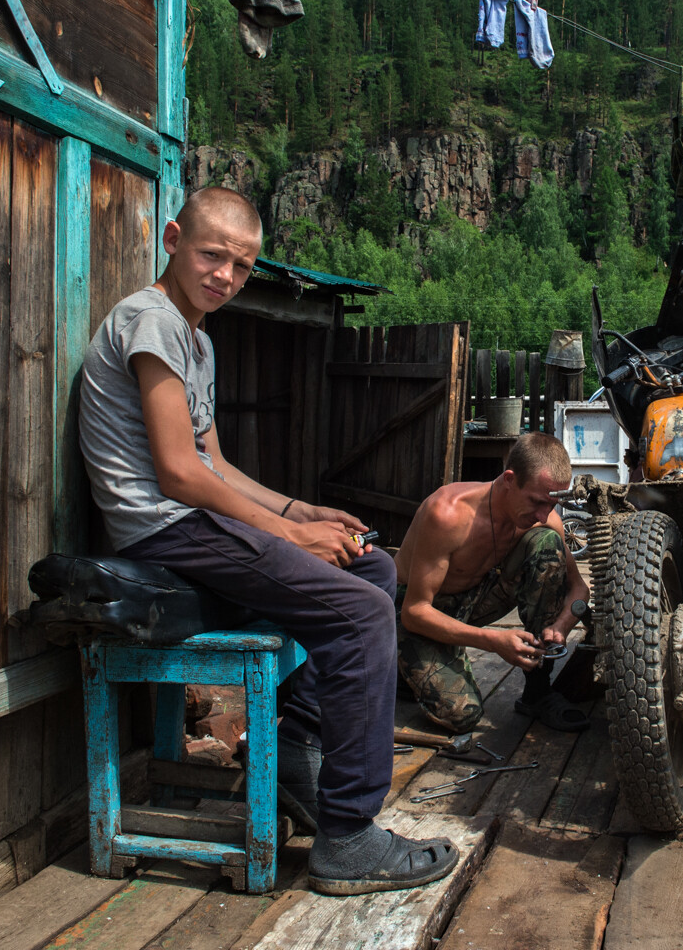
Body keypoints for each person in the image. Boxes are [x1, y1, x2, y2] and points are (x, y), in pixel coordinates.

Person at [77, 186, 456, 897]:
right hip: (162, 531)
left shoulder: (197, 339)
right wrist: (288, 535)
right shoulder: (148, 321)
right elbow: (178, 473)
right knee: (362, 613)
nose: (223, 275)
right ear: (172, 240)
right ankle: (347, 837)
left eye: (240, 266)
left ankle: (292, 749)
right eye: (210, 255)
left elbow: (215, 461)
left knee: (372, 569)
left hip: (193, 520)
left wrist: (298, 505)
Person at [395, 432, 593, 733]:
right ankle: (399, 670)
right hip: (416, 616)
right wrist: (491, 641)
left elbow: (579, 588)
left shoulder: (543, 518)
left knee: (547, 543)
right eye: (537, 502)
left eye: (551, 505)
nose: (544, 514)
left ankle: (538, 692)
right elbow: (414, 611)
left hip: (472, 600)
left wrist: (562, 626)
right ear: (510, 479)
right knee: (462, 714)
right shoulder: (448, 514)